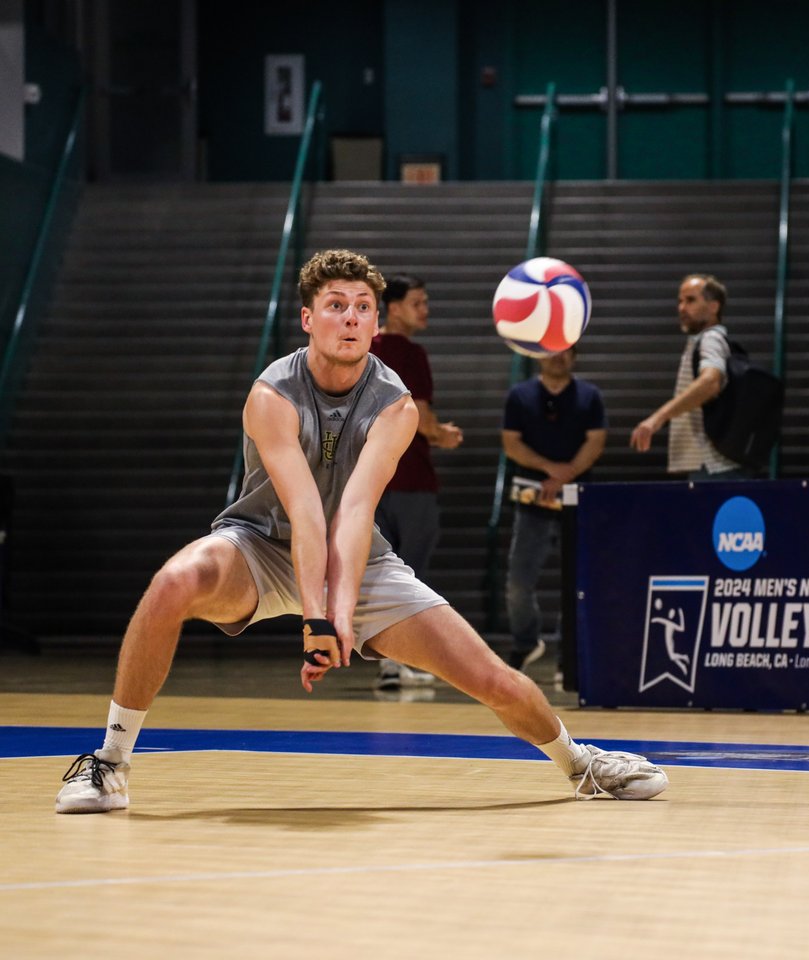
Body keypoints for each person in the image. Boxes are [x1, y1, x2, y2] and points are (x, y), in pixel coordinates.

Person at [54, 249, 668, 814]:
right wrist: (316, 619)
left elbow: (352, 513)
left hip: (363, 559)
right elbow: (305, 514)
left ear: (377, 324)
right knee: (173, 582)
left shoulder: (396, 404)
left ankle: (582, 765)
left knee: (489, 676)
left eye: (363, 308)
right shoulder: (272, 393)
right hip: (260, 545)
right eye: (336, 306)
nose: (350, 319)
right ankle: (109, 764)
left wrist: (336, 619)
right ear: (307, 319)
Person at [369, 274, 463, 690]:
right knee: (411, 576)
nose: (425, 310)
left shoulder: (364, 349)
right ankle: (399, 659)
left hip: (370, 482)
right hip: (410, 480)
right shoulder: (410, 353)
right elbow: (421, 418)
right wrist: (445, 434)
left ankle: (388, 662)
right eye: (418, 303)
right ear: (394, 307)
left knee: (377, 572)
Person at [501, 346, 606, 675]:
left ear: (575, 355)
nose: (558, 357)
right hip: (533, 501)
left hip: (578, 501)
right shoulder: (520, 395)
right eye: (551, 351)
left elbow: (596, 440)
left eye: (566, 351)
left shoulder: (590, 396)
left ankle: (569, 655)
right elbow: (511, 442)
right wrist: (550, 470)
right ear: (537, 355)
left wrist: (567, 474)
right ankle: (526, 641)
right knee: (518, 581)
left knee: (577, 580)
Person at [630, 273, 756, 480]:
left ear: (714, 306)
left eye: (691, 300)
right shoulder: (700, 341)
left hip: (714, 465)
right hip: (710, 463)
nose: (682, 308)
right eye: (680, 301)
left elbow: (710, 381)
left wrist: (657, 418)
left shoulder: (711, 339)